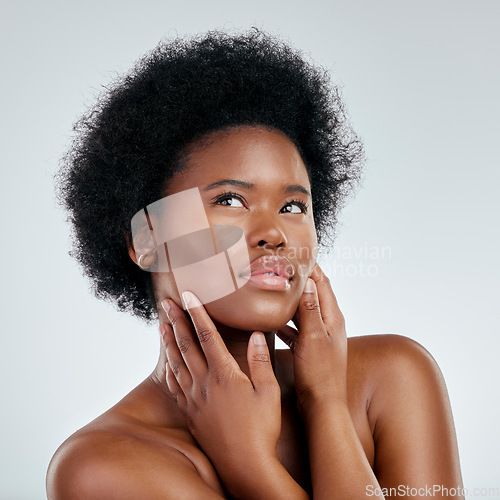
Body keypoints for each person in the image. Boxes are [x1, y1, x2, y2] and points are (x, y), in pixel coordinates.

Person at [47, 30, 464, 499]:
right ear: (147, 239)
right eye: (230, 199)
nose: (275, 232)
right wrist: (246, 458)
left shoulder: (393, 377)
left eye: (293, 207)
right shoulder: (101, 466)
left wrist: (319, 408)